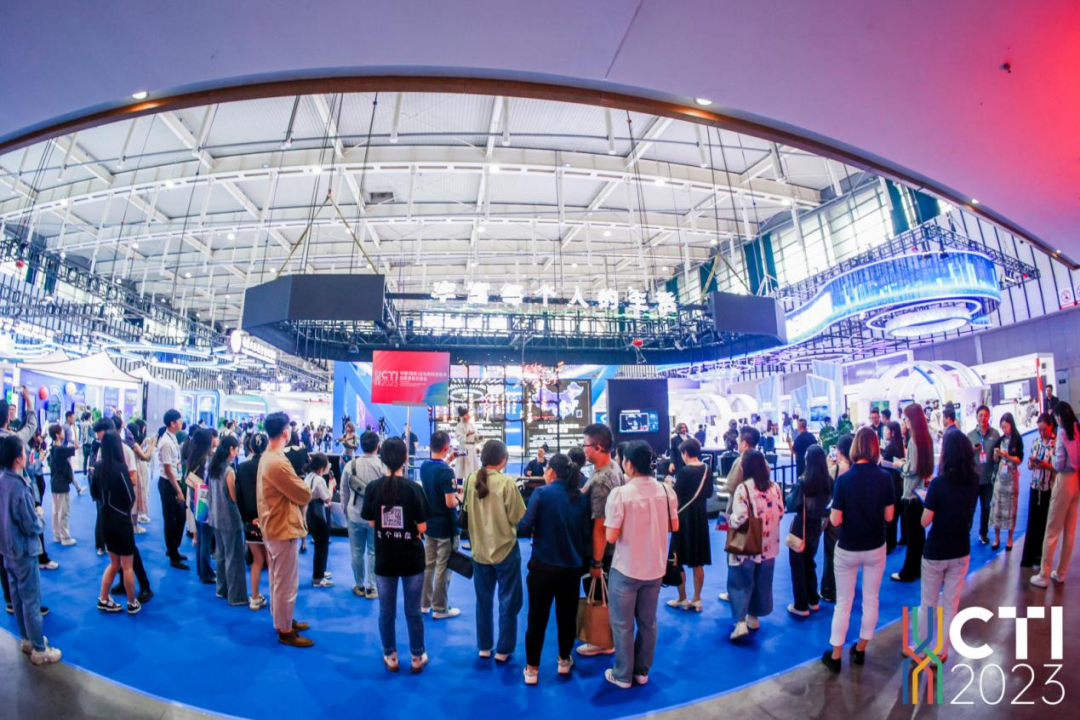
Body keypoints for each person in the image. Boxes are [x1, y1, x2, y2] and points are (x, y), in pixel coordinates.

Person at [602, 440, 678, 688]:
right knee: (648, 622)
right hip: (655, 568)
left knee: (622, 624)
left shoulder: (620, 494)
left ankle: (623, 675)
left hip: (626, 568)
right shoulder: (666, 490)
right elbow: (674, 526)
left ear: (629, 464)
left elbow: (611, 536)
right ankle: (641, 672)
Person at [821, 427, 894, 673]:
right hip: (875, 545)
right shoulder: (885, 478)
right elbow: (889, 516)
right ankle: (860, 649)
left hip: (848, 546)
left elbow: (835, 519)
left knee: (843, 602)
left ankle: (835, 655)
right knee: (871, 599)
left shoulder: (844, 479)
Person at [518, 453, 590, 685]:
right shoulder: (580, 497)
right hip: (572, 569)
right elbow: (586, 534)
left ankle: (532, 669)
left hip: (543, 567)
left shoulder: (541, 493)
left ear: (550, 471)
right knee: (567, 617)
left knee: (536, 619)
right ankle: (564, 660)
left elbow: (524, 526)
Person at [361, 437, 431, 673]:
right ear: (404, 458)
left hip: (385, 559)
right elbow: (422, 527)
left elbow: (372, 523)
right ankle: (417, 656)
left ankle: (390, 655)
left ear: (382, 458)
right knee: (413, 612)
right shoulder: (414, 489)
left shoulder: (373, 488)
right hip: (412, 559)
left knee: (386, 611)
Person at [918, 427, 980, 665]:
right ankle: (941, 651)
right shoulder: (973, 480)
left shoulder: (938, 484)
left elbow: (925, 521)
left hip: (936, 550)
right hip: (961, 548)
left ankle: (922, 649)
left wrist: (928, 500)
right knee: (950, 604)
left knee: (928, 604)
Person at [0, 435, 61, 665]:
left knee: (17, 597)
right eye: (24, 452)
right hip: (23, 551)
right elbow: (31, 525)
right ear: (18, 458)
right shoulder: (19, 487)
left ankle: (26, 638)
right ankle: (39, 649)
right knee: (31, 600)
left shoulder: (2, 480)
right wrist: (39, 516)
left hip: (7, 549)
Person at [464, 439, 525, 661]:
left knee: (483, 601)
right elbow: (518, 517)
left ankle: (484, 646)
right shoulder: (507, 483)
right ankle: (504, 649)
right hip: (505, 549)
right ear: (503, 459)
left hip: (479, 551)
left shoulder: (471, 479)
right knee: (508, 601)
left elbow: (466, 511)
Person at [257, 412, 314, 647]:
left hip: (273, 526)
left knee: (277, 579)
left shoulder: (269, 456)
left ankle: (283, 619)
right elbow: (303, 493)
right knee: (285, 582)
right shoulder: (278, 462)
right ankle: (285, 629)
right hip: (282, 528)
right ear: (285, 432)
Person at [726, 450, 783, 641]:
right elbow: (781, 510)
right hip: (769, 544)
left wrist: (729, 520)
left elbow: (740, 518)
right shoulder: (775, 487)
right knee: (762, 582)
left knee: (740, 581)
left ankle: (741, 623)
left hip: (747, 542)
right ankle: (754, 617)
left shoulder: (743, 488)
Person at [578, 422, 624, 657]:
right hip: (611, 548)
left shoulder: (601, 480)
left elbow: (600, 525)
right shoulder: (613, 468)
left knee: (599, 596)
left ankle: (603, 641)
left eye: (585, 445)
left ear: (598, 447)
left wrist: (596, 563)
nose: (583, 450)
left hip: (601, 551)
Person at [1031, 402, 1080, 588]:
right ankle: (1061, 573)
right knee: (1070, 530)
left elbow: (1059, 464)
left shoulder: (1062, 433)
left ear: (1059, 416)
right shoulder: (1077, 430)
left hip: (1063, 481)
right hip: (1076, 481)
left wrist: (1051, 459)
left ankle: (1044, 575)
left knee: (1051, 530)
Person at [94, 431, 141, 615]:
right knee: (127, 565)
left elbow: (94, 493)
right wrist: (124, 510)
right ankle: (131, 602)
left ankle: (103, 598)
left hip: (105, 519)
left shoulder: (98, 467)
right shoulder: (120, 468)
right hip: (121, 520)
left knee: (114, 563)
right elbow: (130, 496)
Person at [666, 438, 711, 611]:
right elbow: (709, 493)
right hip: (700, 519)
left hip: (683, 519)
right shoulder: (707, 469)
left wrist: (669, 485)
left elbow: (675, 495)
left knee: (678, 559)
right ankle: (697, 599)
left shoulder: (684, 471)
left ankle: (682, 598)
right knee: (698, 561)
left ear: (685, 453)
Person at [420, 430, 461, 618]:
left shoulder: (425, 466)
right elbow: (450, 502)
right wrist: (460, 498)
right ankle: (440, 608)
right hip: (446, 527)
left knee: (429, 565)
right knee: (443, 568)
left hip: (430, 524)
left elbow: (438, 473)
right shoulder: (446, 472)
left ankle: (425, 604)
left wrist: (447, 460)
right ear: (446, 447)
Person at [787, 444, 832, 617]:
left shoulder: (803, 481)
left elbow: (792, 504)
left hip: (801, 525)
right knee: (810, 562)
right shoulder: (828, 480)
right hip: (817, 526)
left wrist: (788, 495)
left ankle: (801, 605)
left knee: (797, 565)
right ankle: (813, 600)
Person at [891, 404, 934, 583]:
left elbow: (912, 468)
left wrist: (901, 465)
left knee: (912, 535)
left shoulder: (914, 440)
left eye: (906, 418)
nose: (905, 422)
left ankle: (908, 571)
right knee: (918, 534)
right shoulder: (926, 438)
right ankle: (917, 568)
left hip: (911, 493)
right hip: (920, 492)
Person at [342, 431, 384, 599]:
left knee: (356, 552)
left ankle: (359, 585)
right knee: (374, 552)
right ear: (377, 446)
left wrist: (345, 510)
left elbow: (344, 491)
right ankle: (372, 588)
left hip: (354, 514)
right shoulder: (382, 466)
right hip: (376, 516)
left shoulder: (350, 465)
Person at [207, 435, 247, 606]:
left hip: (215, 516)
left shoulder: (213, 467)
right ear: (231, 449)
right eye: (237, 448)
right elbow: (233, 497)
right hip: (230, 519)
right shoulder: (229, 471)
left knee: (221, 554)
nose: (238, 451)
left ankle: (221, 589)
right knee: (234, 556)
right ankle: (236, 596)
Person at [235, 432, 269, 610]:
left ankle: (254, 597)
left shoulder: (241, 467)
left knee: (257, 560)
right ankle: (277, 601)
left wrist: (246, 519)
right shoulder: (271, 466)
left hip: (250, 520)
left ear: (250, 447)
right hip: (269, 519)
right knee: (272, 561)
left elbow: (238, 497)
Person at [820, 433, 853, 604]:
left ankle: (829, 590)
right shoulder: (856, 469)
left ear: (840, 451)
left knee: (831, 554)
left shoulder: (837, 469)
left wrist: (828, 465)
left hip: (835, 516)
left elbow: (826, 485)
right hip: (852, 517)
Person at [1021, 413, 1057, 569]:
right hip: (1035, 487)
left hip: (1049, 488)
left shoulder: (1056, 443)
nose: (1041, 433)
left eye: (1044, 429)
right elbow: (1029, 466)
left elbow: (1058, 467)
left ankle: (1043, 557)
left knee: (1045, 524)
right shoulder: (1036, 442)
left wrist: (1046, 465)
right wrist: (1031, 463)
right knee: (1032, 523)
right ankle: (1030, 556)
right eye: (1039, 430)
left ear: (1051, 426)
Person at [157, 409, 188, 570]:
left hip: (175, 480)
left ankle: (173, 549)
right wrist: (179, 490)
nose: (181, 422)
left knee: (180, 517)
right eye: (179, 420)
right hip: (168, 483)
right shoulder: (166, 443)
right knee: (170, 520)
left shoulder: (173, 437)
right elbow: (168, 470)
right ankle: (173, 555)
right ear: (172, 423)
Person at [989, 412, 1024, 551]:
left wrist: (1007, 455)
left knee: (1011, 508)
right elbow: (995, 460)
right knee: (997, 507)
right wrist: (996, 454)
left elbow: (1019, 459)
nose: (1004, 430)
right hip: (1000, 477)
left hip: (1011, 477)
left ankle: (1009, 539)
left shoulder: (1017, 439)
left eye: (1006, 427)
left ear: (1011, 425)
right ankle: (996, 538)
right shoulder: (1000, 439)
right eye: (1002, 427)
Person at [184, 429, 216, 584]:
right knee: (206, 537)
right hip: (204, 501)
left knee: (202, 537)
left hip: (195, 499)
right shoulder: (207, 460)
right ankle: (206, 573)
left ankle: (201, 570)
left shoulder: (193, 457)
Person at [967, 405, 1001, 545]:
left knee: (986, 507)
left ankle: (983, 533)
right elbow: (965, 456)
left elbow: (998, 456)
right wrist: (973, 450)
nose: (983, 418)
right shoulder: (970, 435)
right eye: (980, 415)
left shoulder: (995, 434)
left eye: (986, 415)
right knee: (970, 508)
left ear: (989, 417)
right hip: (974, 478)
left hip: (988, 478)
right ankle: (966, 533)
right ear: (976, 417)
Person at [304, 453, 335, 588]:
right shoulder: (319, 480)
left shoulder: (309, 476)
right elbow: (327, 498)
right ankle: (318, 578)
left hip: (311, 513)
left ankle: (320, 571)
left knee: (319, 545)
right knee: (322, 546)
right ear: (322, 467)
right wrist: (331, 485)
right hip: (319, 516)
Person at [47, 424, 77, 546]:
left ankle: (57, 535)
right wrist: (75, 431)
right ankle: (65, 537)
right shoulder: (60, 450)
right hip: (61, 483)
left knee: (56, 510)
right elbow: (76, 446)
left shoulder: (53, 449)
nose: (63, 433)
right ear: (57, 435)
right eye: (62, 431)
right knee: (63, 511)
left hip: (54, 483)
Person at [878, 420, 904, 553]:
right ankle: (892, 542)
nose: (884, 432)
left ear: (892, 432)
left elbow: (882, 464)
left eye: (886, 430)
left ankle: (888, 545)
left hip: (892, 484)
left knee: (889, 518)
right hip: (898, 483)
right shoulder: (898, 444)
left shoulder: (891, 447)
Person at [724, 425, 767, 495]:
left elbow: (731, 487)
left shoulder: (740, 462)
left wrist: (724, 487)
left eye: (738, 440)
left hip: (741, 500)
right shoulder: (764, 462)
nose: (737, 442)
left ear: (744, 444)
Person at [129, 420, 154, 525]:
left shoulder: (130, 443)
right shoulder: (136, 444)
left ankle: (136, 519)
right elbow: (146, 456)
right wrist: (152, 445)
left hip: (135, 467)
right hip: (138, 467)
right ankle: (138, 518)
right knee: (141, 491)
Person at [453, 408, 480, 480]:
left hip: (471, 447)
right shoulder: (459, 425)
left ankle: (471, 482)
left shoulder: (470, 425)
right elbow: (458, 437)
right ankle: (459, 484)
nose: (468, 416)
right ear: (462, 416)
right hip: (463, 447)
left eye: (468, 414)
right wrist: (467, 434)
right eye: (466, 415)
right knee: (461, 467)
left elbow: (474, 436)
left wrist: (478, 437)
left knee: (471, 466)